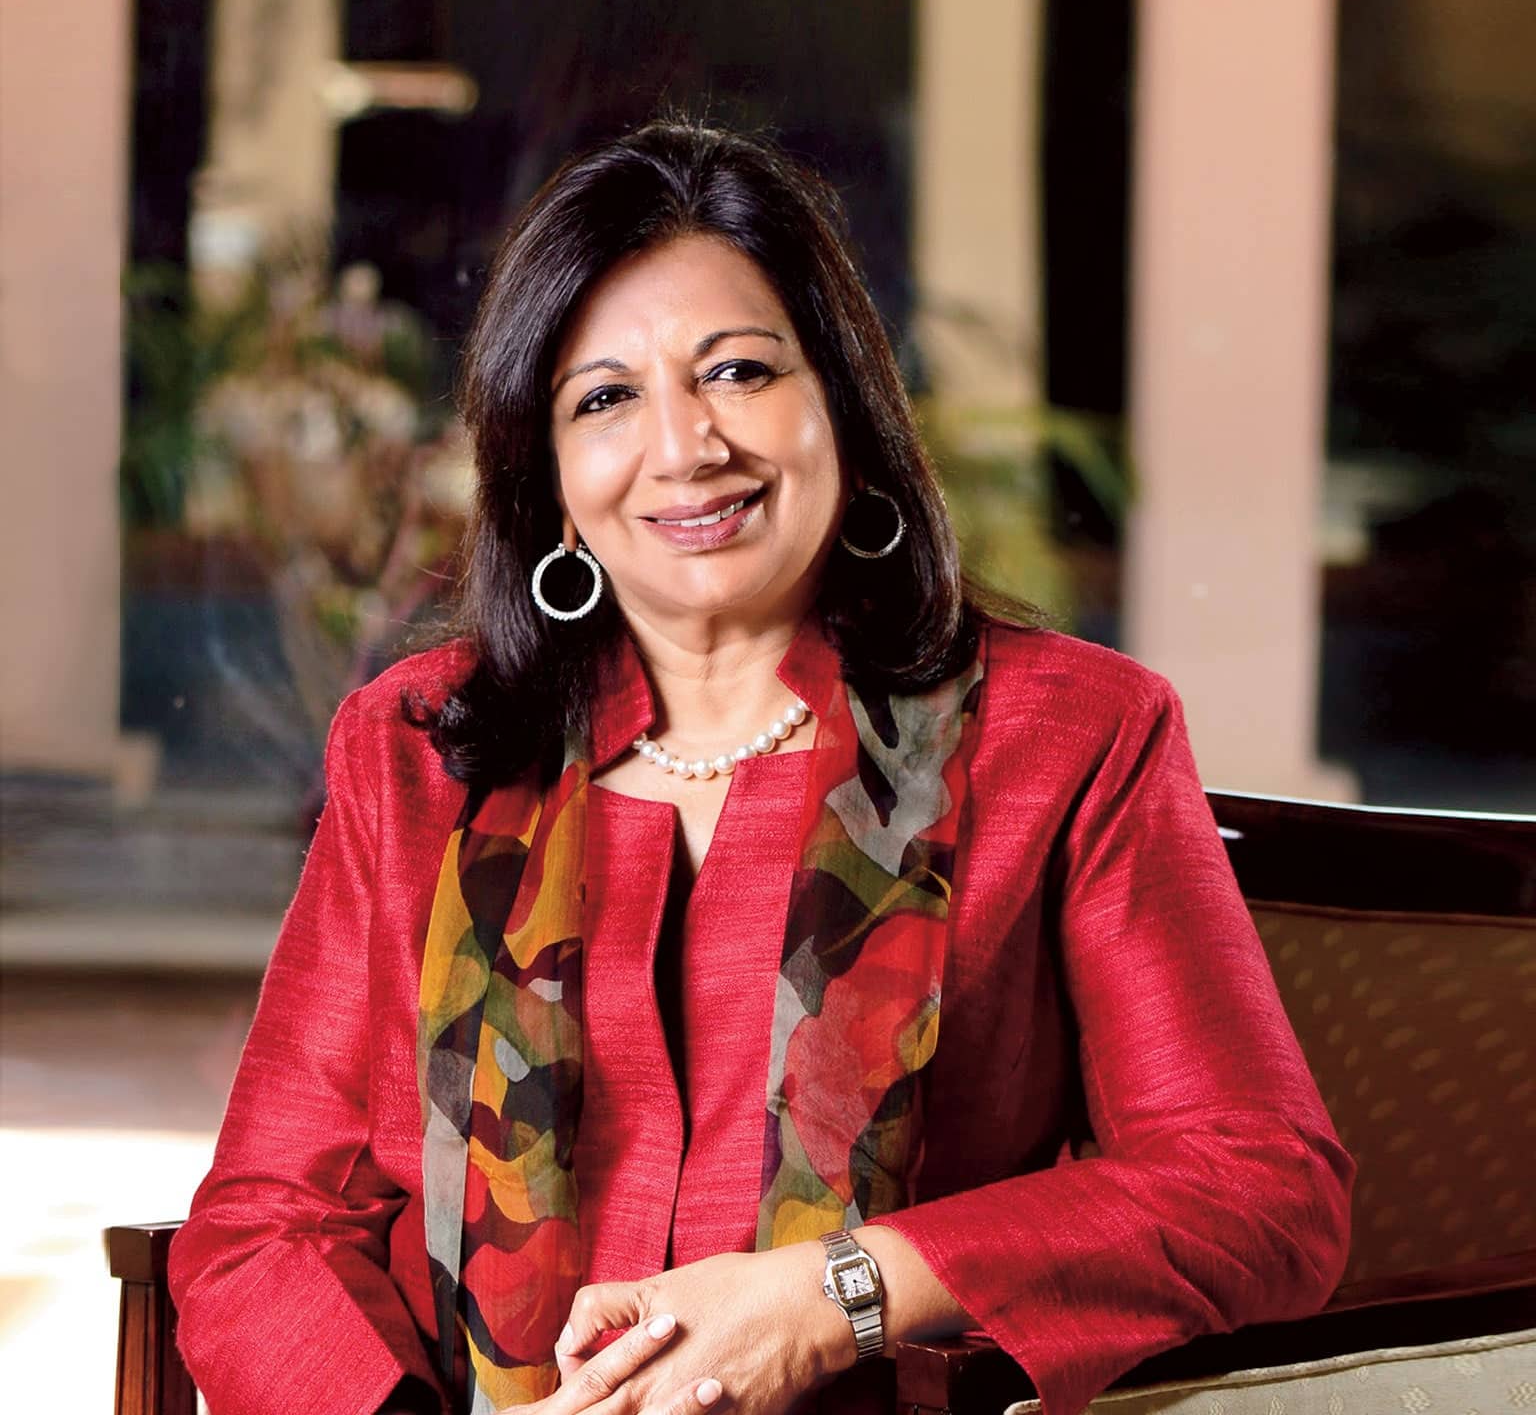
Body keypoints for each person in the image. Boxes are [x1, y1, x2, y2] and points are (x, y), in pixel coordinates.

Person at [169, 122, 1354, 1415]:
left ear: (842, 401)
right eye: (605, 399)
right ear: (547, 477)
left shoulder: (1070, 737)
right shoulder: (417, 751)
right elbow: (263, 1228)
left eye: (737, 372)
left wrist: (832, 1296)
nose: (686, 447)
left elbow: (1256, 1190)